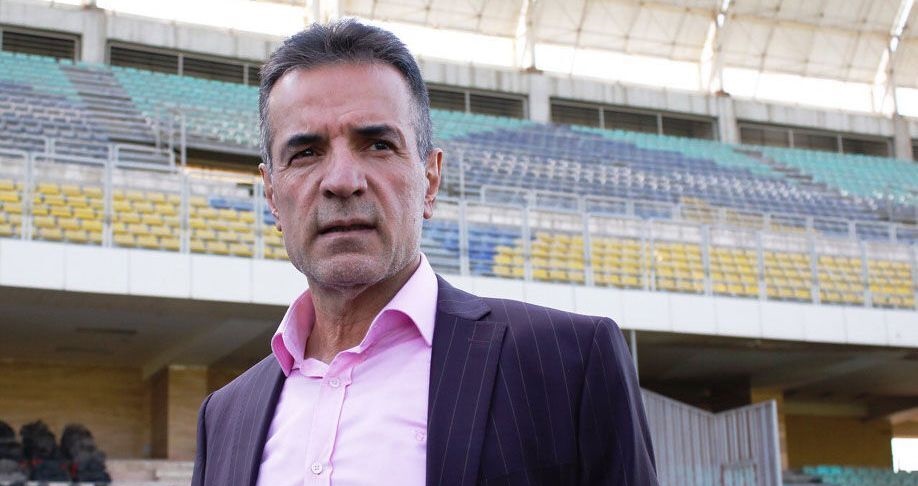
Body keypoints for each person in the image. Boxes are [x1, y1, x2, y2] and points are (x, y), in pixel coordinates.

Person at [191, 19, 658, 486]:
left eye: (378, 145)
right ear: (272, 194)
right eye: (306, 153)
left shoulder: (569, 364)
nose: (342, 181)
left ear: (430, 180)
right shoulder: (224, 418)